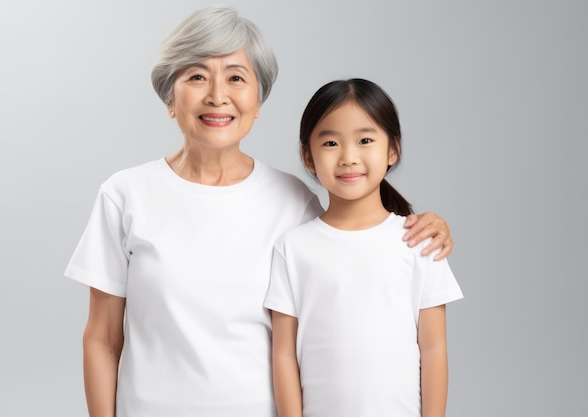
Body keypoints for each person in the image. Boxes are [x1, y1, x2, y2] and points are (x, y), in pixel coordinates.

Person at [64, 7, 454, 417]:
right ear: (169, 98)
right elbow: (102, 339)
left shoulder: (293, 200)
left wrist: (425, 226)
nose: (217, 95)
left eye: (236, 77)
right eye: (196, 76)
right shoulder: (125, 196)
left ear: (259, 99)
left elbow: (356, 254)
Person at [264, 79, 463, 417]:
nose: (348, 157)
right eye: (330, 142)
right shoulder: (293, 247)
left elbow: (433, 348)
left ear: (392, 149)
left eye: (365, 140)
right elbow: (283, 353)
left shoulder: (418, 241)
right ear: (307, 156)